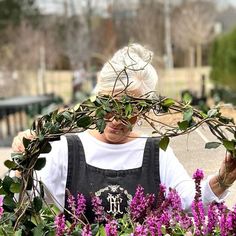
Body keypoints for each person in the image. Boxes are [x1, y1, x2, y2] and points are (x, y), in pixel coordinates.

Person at [13, 44, 236, 222]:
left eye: (129, 110)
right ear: (98, 99)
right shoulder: (65, 150)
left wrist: (223, 180)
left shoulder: (155, 152)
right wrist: (23, 163)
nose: (118, 120)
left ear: (143, 110)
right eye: (110, 106)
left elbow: (189, 203)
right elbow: (20, 201)